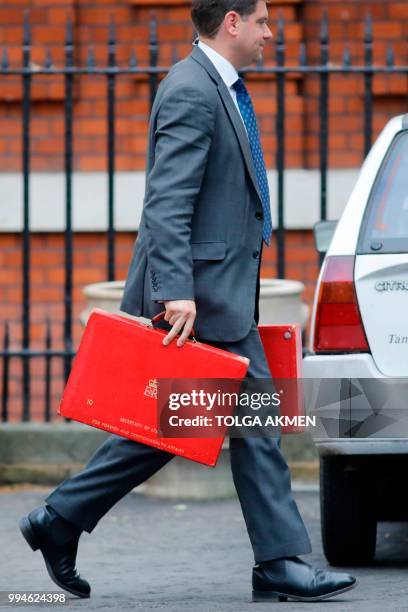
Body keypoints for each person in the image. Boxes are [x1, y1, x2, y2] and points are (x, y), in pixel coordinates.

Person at [19, 0, 357, 602]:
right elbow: (166, 202)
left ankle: (59, 520)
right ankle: (277, 562)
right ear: (232, 21)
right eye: (262, 21)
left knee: (192, 426)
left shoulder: (214, 86)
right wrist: (176, 291)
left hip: (215, 293)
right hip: (198, 300)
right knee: (242, 422)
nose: (269, 34)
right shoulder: (192, 90)